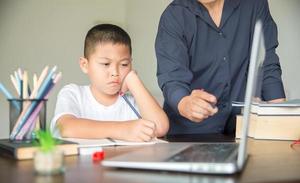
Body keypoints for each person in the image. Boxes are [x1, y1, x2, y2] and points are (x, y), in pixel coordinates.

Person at [155, 0, 285, 136]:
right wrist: (184, 103)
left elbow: (266, 64)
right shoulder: (174, 15)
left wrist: (281, 117)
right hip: (189, 135)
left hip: (241, 129)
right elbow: (172, 77)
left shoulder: (254, 4)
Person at [51, 24, 169, 142]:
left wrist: (134, 80)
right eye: (106, 64)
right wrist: (123, 130)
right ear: (84, 65)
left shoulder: (134, 101)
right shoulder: (73, 93)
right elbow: (65, 127)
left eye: (124, 64)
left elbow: (160, 128)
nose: (115, 72)